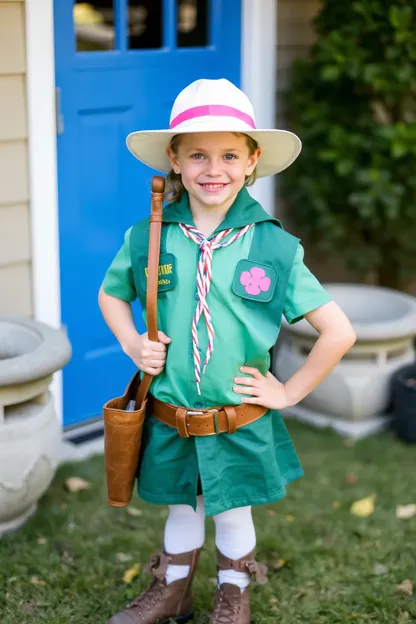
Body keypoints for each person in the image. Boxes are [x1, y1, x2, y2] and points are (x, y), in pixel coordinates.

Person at [99, 78, 356, 624]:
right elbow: (110, 294)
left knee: (234, 512)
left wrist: (288, 391)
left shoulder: (274, 247)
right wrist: (131, 343)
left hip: (235, 418)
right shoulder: (149, 236)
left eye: (229, 154)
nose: (213, 169)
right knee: (181, 508)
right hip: (170, 415)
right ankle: (172, 591)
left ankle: (233, 594)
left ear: (251, 159)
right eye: (197, 154)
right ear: (174, 159)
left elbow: (339, 331)